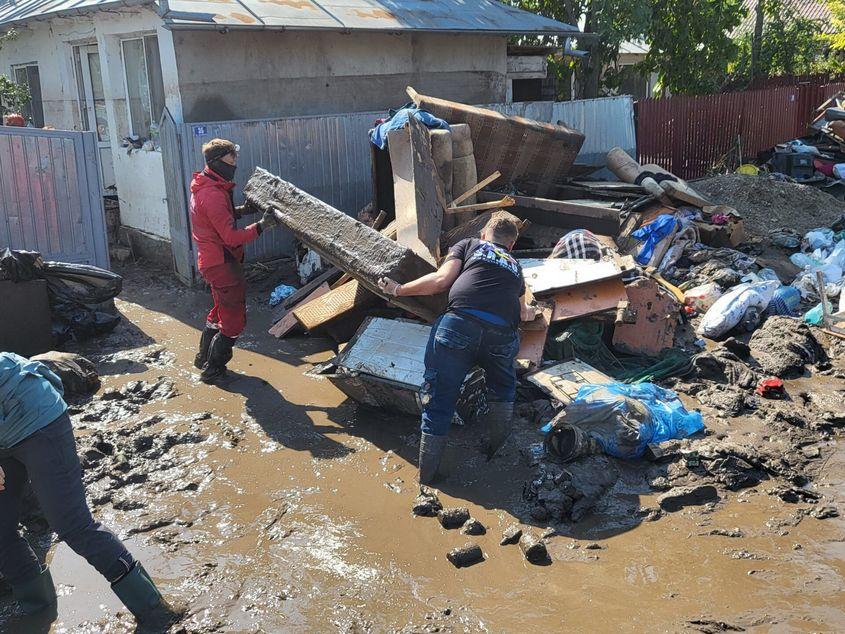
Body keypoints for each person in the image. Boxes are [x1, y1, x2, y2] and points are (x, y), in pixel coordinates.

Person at [0, 352, 179, 627]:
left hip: (37, 416)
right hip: (5, 428)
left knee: (72, 525)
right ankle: (38, 609)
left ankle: (155, 611)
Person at [378, 217, 536, 484]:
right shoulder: (515, 267)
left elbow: (441, 281)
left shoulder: (470, 245)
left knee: (439, 400)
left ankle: (426, 481)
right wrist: (533, 311)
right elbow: (523, 312)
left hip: (459, 326)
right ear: (512, 244)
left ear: (484, 234)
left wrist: (398, 289)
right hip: (501, 335)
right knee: (503, 392)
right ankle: (494, 456)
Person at [190, 138, 280, 383]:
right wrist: (261, 226)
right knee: (233, 320)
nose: (236, 164)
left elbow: (218, 220)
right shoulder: (212, 194)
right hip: (222, 263)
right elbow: (230, 236)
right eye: (232, 159)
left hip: (213, 261)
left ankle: (203, 358)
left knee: (219, 311)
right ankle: (214, 370)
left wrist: (242, 210)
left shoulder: (209, 185)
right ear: (218, 161)